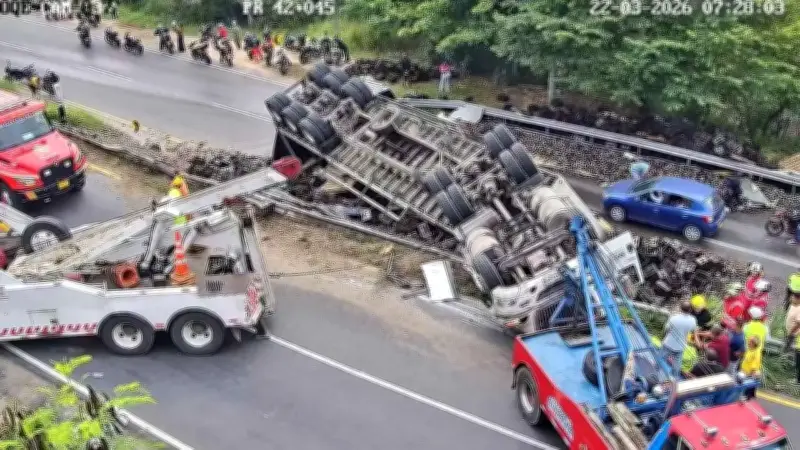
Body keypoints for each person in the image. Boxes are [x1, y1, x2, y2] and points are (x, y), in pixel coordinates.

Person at [662, 301, 698, 377]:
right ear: (690, 310)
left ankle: (656, 371)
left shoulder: (674, 318)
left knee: (660, 359)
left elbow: (666, 329)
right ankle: (675, 380)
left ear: (680, 308)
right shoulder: (693, 320)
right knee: (677, 366)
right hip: (680, 346)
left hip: (668, 343)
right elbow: (693, 331)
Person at [785, 294, 800, 383]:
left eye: (793, 298)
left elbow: (798, 323)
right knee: (796, 357)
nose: (791, 299)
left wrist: (791, 333)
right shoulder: (793, 306)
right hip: (794, 336)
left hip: (796, 335)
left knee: (798, 358)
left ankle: (798, 379)